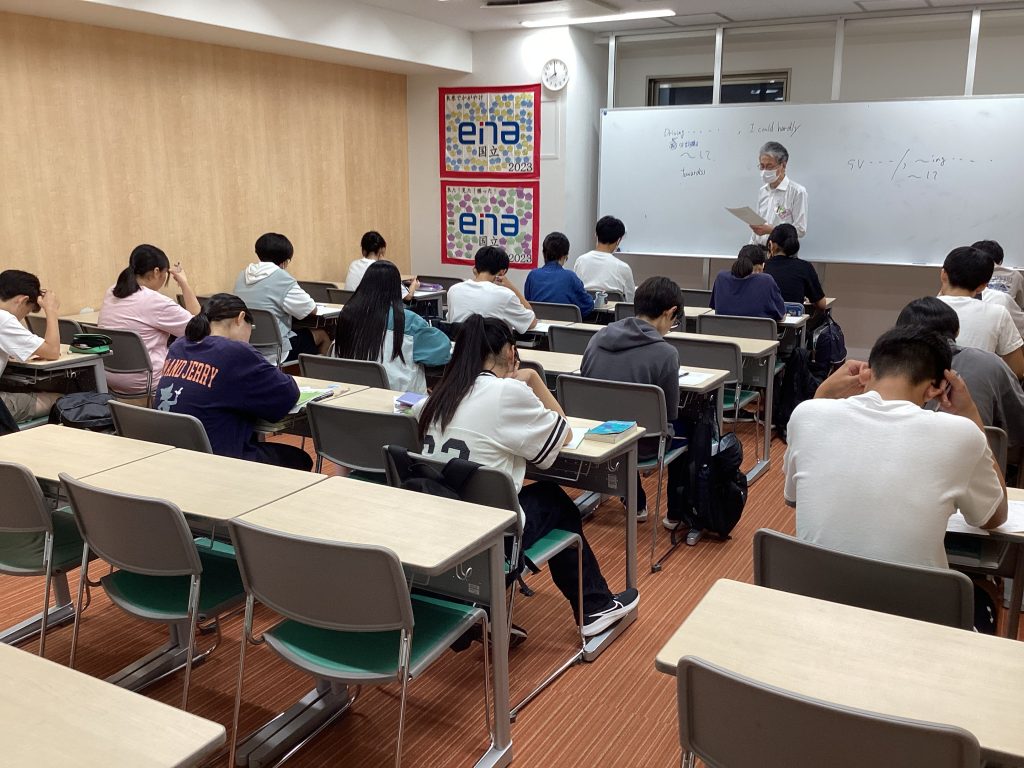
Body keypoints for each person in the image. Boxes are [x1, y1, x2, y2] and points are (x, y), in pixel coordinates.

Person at [415, 315, 638, 637]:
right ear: (510, 352)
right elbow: (562, 433)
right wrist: (532, 378)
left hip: (439, 530)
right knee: (555, 499)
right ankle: (594, 607)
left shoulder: (433, 398)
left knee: (538, 496)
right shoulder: (507, 392)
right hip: (491, 537)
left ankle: (478, 605)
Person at [785, 325, 1007, 571]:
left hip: (810, 591)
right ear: (936, 388)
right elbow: (994, 517)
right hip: (910, 595)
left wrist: (823, 393)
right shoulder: (962, 434)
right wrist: (970, 412)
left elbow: (795, 499)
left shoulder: (806, 414)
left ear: (866, 372)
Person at [155, 293, 313, 471]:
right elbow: (288, 394)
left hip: (173, 455)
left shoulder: (179, 346)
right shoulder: (235, 351)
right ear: (240, 318)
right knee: (299, 459)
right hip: (219, 462)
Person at [581, 277, 689, 530]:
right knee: (689, 428)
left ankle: (635, 501)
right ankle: (677, 514)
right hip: (643, 447)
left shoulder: (597, 338)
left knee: (623, 414)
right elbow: (669, 414)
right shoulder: (666, 354)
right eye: (674, 322)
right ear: (670, 312)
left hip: (595, 434)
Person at [897, 297, 1024, 451]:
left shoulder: (887, 370)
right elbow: (1019, 424)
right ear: (957, 331)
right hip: (982, 457)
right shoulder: (990, 363)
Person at [98, 244, 201, 395]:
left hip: (110, 377)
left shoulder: (112, 291)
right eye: (165, 273)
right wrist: (184, 283)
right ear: (156, 272)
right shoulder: (155, 301)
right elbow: (199, 328)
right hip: (146, 380)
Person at [335, 260, 451, 393]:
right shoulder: (407, 321)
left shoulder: (347, 315)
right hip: (398, 399)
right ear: (396, 289)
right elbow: (442, 353)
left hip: (352, 394)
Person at [233, 232, 331, 364]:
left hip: (247, 346)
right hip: (276, 352)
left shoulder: (242, 276)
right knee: (322, 335)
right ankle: (325, 375)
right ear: (285, 261)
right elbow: (311, 309)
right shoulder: (282, 278)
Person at [936, 245, 1024, 379]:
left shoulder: (919, 310)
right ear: (983, 286)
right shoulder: (998, 313)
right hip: (980, 389)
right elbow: (1017, 370)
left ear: (943, 274)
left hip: (929, 388)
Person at [0, 270, 61, 422]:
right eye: (27, 311)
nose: (23, 317)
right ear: (23, 300)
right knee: (61, 399)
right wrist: (51, 310)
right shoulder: (4, 318)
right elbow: (53, 351)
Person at [446, 246, 537, 333]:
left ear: (475, 268)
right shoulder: (505, 295)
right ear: (502, 272)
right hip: (491, 344)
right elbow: (531, 323)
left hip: (460, 344)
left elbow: (450, 321)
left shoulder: (454, 290)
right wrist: (512, 287)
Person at [748, 141, 808, 246]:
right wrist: (750, 247)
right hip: (759, 249)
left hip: (781, 252)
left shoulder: (797, 192)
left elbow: (800, 230)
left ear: (783, 165)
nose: (765, 171)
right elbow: (758, 227)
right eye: (762, 166)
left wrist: (772, 230)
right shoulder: (763, 191)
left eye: (769, 166)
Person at [524, 232, 594, 318]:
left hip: (538, 325)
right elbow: (587, 306)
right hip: (565, 326)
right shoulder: (570, 277)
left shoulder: (532, 275)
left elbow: (528, 304)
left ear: (543, 253)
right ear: (565, 256)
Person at [710, 244, 785, 320]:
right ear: (761, 266)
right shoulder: (766, 281)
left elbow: (715, 308)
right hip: (757, 328)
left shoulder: (721, 278)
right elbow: (781, 315)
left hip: (723, 327)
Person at [762, 223, 825, 312]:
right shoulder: (805, 267)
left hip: (767, 318)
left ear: (771, 245)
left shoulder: (762, 267)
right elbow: (822, 304)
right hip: (794, 319)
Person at [572, 215, 636, 302]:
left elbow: (574, 292)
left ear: (596, 234)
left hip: (584, 310)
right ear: (619, 240)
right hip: (613, 311)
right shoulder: (624, 268)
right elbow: (630, 302)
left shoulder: (580, 261)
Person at [974, 239, 1024, 310]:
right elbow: (1020, 304)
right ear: (1000, 261)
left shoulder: (970, 273)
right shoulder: (1015, 275)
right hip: (1008, 314)